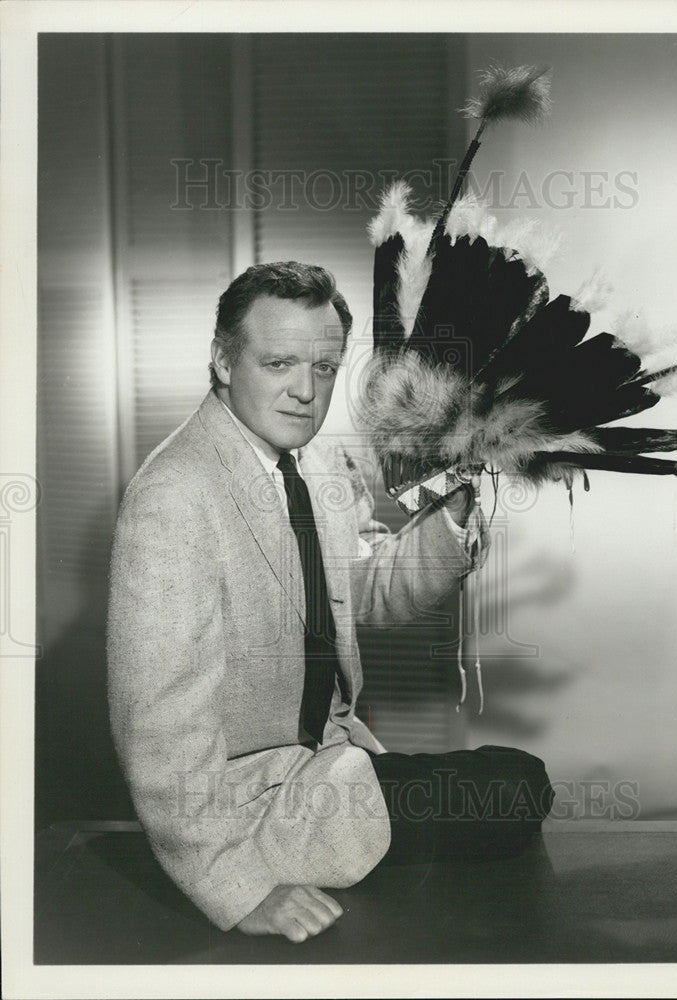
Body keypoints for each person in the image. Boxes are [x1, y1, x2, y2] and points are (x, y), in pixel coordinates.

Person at [107, 261, 554, 943]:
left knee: (516, 781)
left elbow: (365, 590)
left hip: (329, 763)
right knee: (516, 790)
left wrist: (453, 512)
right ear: (223, 362)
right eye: (279, 362)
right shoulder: (173, 497)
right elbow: (161, 733)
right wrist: (239, 890)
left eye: (323, 367)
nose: (305, 392)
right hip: (241, 812)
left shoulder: (315, 466)